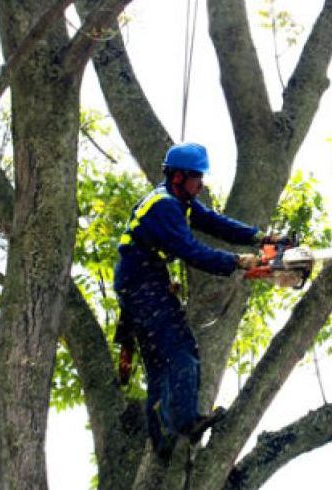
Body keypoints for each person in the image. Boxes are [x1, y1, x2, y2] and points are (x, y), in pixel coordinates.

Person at [113, 142, 278, 451]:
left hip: (140, 286)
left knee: (160, 366)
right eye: (197, 177)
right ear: (178, 176)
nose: (202, 183)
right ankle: (186, 422)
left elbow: (216, 223)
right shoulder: (164, 205)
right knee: (182, 353)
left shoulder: (180, 201)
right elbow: (190, 250)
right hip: (143, 288)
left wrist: (260, 237)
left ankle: (163, 442)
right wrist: (236, 261)